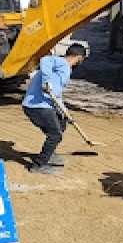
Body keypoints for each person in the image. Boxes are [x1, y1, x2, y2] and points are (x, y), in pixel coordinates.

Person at [21, 43, 88, 175]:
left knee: (61, 122)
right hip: (36, 106)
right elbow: (45, 59)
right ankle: (39, 165)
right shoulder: (61, 62)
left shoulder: (64, 68)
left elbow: (56, 95)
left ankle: (49, 153)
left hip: (45, 105)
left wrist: (65, 112)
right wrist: (46, 81)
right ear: (79, 57)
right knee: (55, 134)